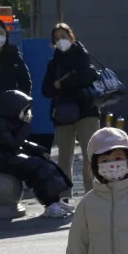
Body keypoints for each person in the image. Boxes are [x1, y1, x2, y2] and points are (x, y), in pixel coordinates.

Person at [0, 90, 73, 218]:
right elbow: (13, 145)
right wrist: (25, 126)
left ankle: (55, 201)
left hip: (8, 156)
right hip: (0, 160)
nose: (27, 113)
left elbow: (21, 142)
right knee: (38, 167)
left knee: (44, 162)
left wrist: (39, 150)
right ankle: (50, 205)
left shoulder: (7, 121)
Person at [41, 23, 100, 197]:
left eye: (64, 37)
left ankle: (92, 194)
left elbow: (89, 76)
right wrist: (60, 83)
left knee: (90, 155)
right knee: (64, 158)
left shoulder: (82, 55)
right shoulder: (53, 63)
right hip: (63, 114)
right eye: (57, 38)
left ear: (71, 37)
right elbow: (46, 90)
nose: (61, 41)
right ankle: (64, 195)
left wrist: (63, 83)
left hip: (86, 111)